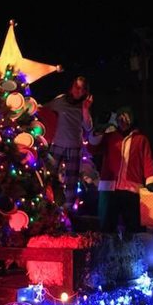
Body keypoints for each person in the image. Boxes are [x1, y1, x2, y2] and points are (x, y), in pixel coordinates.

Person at [89, 106, 153, 234]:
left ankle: (133, 252)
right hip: (109, 189)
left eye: (127, 118)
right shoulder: (109, 137)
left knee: (134, 227)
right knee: (106, 227)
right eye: (121, 118)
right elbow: (92, 148)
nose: (124, 121)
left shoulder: (141, 139)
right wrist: (99, 131)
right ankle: (108, 252)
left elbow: (147, 161)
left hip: (131, 190)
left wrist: (151, 181)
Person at [41, 76, 94, 210]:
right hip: (57, 144)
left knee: (71, 181)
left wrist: (86, 109)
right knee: (47, 175)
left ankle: (69, 210)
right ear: (72, 87)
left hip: (74, 147)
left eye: (82, 89)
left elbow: (88, 126)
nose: (79, 91)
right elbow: (44, 109)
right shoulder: (60, 101)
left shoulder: (83, 105)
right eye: (77, 87)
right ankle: (45, 204)